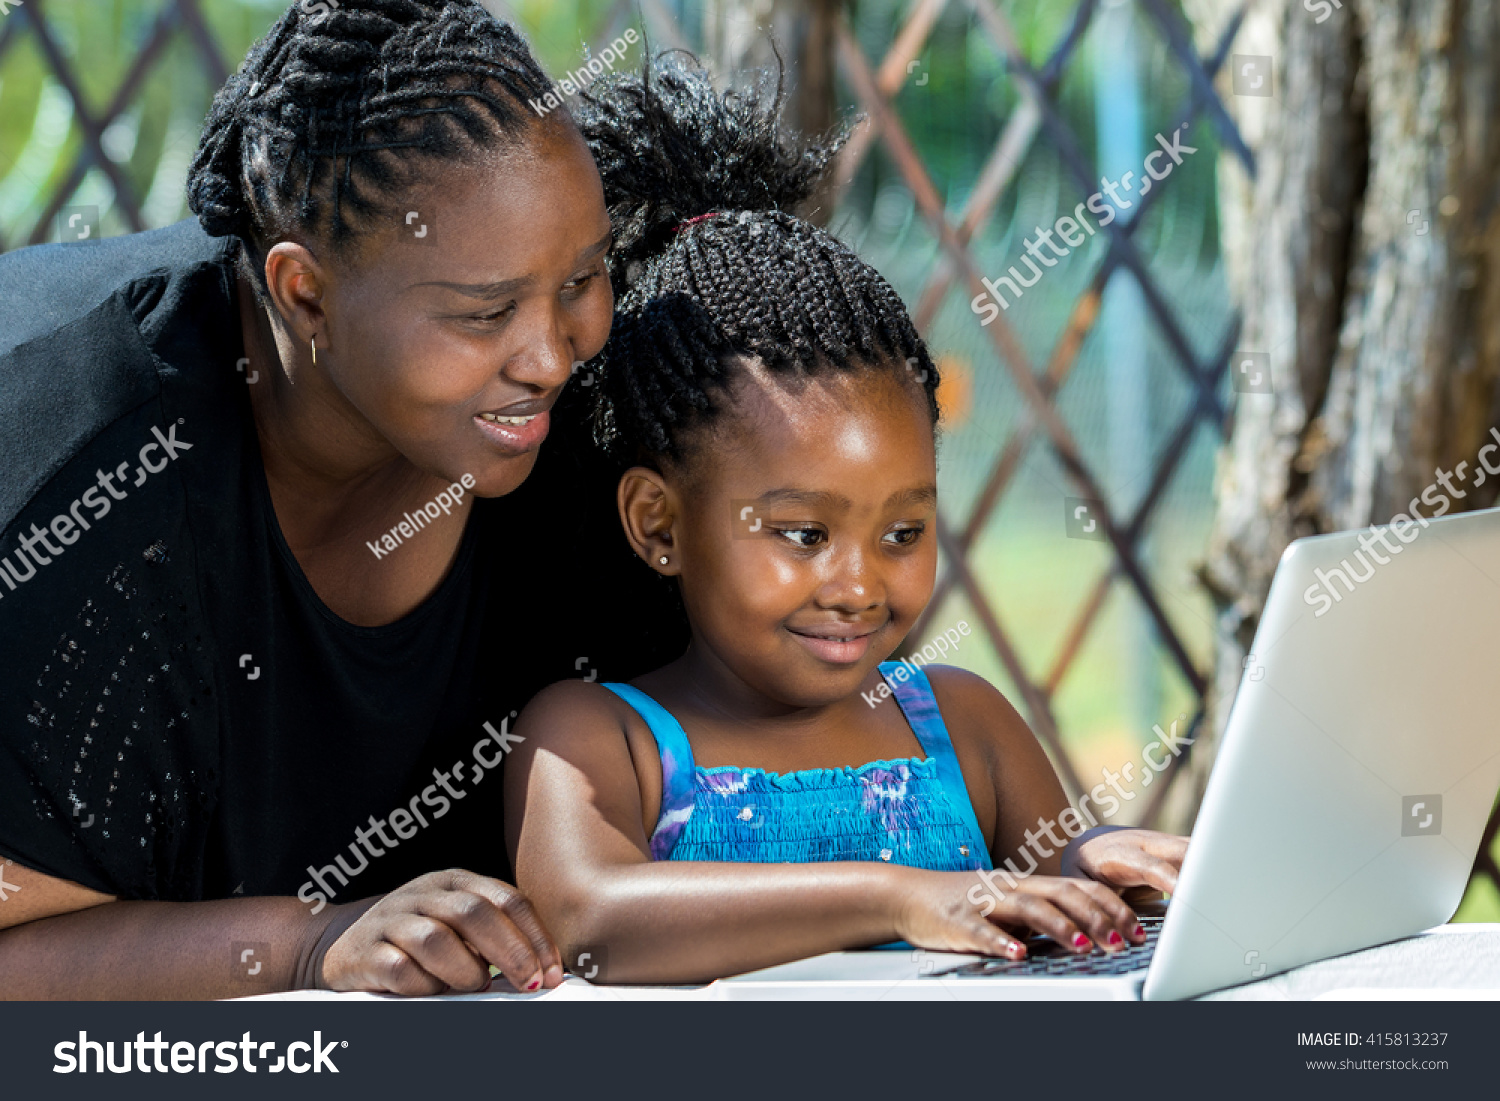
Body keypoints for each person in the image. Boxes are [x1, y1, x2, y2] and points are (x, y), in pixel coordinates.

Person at [0, 0, 685, 999]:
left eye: (584, 278)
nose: (552, 353)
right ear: (305, 294)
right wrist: (307, 945)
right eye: (485, 311)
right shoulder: (79, 488)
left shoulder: (601, 437)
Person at [504, 57, 1189, 984]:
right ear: (658, 524)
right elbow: (588, 918)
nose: (861, 584)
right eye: (803, 535)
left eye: (903, 533)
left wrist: (1093, 869)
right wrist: (899, 895)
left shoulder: (964, 725)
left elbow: (1038, 893)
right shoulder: (601, 736)